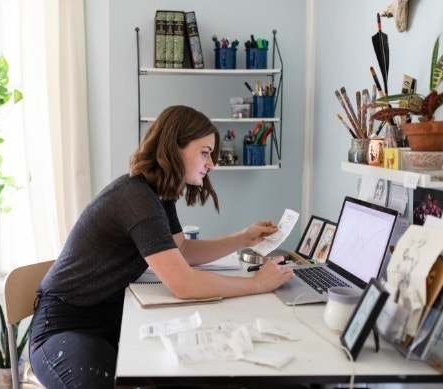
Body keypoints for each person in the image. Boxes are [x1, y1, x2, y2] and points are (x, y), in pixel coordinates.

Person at [28, 105, 294, 388]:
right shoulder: (136, 197)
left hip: (112, 321)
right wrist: (257, 285)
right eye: (205, 152)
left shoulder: (158, 194)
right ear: (175, 146)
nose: (211, 164)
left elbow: (183, 251)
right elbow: (184, 284)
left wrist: (242, 237)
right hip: (64, 327)